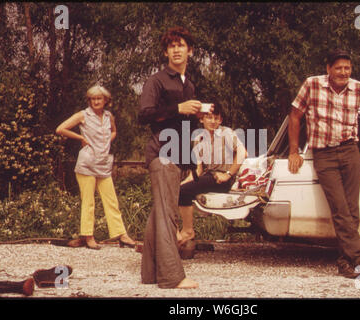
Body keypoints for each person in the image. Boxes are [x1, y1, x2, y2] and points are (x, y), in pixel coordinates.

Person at [287, 50, 360, 279]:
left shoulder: (359, 88)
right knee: (339, 207)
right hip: (323, 154)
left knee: (351, 208)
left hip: (350, 150)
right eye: (339, 68)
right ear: (328, 68)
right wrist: (294, 150)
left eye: (347, 68)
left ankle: (345, 262)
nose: (344, 72)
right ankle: (359, 258)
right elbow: (295, 116)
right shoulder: (312, 84)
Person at [138, 26, 205, 289]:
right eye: (172, 46)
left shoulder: (188, 84)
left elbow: (183, 128)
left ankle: (150, 274)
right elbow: (144, 115)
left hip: (177, 156)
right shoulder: (156, 81)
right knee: (168, 215)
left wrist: (190, 162)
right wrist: (178, 108)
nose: (177, 49)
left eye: (182, 45)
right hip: (161, 154)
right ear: (166, 52)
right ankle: (171, 277)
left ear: (190, 51)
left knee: (159, 212)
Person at [56, 85, 137, 250]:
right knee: (89, 201)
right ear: (89, 100)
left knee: (111, 200)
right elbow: (60, 129)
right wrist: (80, 137)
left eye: (99, 98)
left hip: (103, 163)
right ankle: (88, 236)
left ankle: (122, 234)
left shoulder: (109, 116)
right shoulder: (83, 115)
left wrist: (106, 141)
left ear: (105, 100)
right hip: (86, 163)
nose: (96, 102)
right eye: (93, 99)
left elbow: (114, 132)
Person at [178, 103, 247, 245]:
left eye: (216, 118)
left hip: (222, 179)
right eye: (209, 117)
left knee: (183, 192)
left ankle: (188, 231)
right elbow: (198, 170)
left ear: (220, 120)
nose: (213, 121)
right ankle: (176, 230)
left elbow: (242, 152)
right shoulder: (199, 138)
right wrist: (183, 183)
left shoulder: (226, 133)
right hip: (208, 177)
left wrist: (228, 174)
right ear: (202, 119)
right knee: (180, 190)